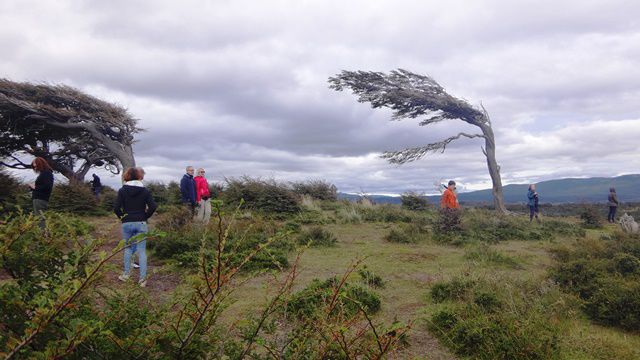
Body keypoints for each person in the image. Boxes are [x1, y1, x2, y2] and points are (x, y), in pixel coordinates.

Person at [114, 167, 157, 287]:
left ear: (127, 176)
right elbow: (153, 206)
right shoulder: (145, 191)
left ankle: (126, 275)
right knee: (141, 251)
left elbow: (116, 208)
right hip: (141, 222)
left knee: (128, 249)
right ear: (139, 176)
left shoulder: (122, 190)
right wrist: (145, 216)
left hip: (127, 222)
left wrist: (123, 218)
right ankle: (142, 280)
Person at [29, 157, 54, 230]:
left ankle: (43, 236)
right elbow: (43, 186)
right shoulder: (44, 173)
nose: (35, 168)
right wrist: (33, 187)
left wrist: (34, 187)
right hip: (38, 198)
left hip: (40, 199)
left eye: (36, 166)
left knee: (40, 218)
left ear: (40, 164)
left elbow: (47, 187)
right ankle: (44, 235)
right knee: (39, 217)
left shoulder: (46, 173)